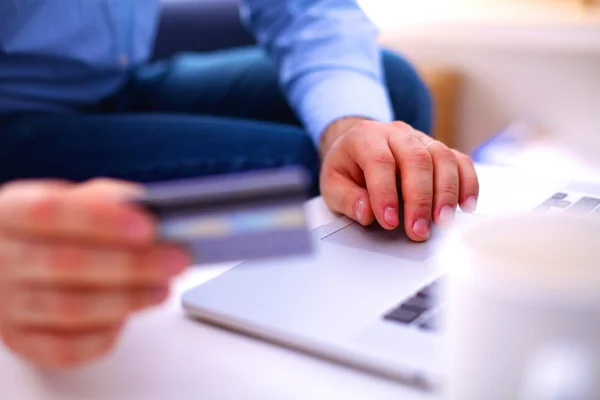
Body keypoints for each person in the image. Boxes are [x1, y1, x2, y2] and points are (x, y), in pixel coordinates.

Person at [0, 0, 479, 369]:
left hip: (112, 79)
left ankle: (368, 296)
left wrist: (350, 126)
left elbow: (305, 10)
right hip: (14, 116)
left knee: (394, 91)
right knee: (292, 178)